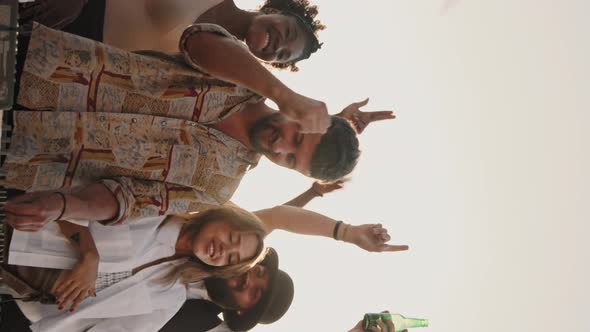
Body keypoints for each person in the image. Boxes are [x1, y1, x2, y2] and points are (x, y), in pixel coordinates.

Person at [1, 23, 365, 229]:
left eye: (290, 160)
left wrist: (61, 207)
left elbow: (126, 198)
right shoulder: (243, 76)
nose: (280, 147)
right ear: (304, 113)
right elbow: (196, 40)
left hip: (22, 151)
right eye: (296, 136)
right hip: (31, 62)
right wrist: (282, 94)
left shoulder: (217, 188)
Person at [19, 0, 333, 134]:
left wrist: (334, 123)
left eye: (281, 56)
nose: (278, 45)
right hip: (60, 7)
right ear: (276, 9)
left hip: (63, 53)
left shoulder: (228, 69)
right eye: (287, 32)